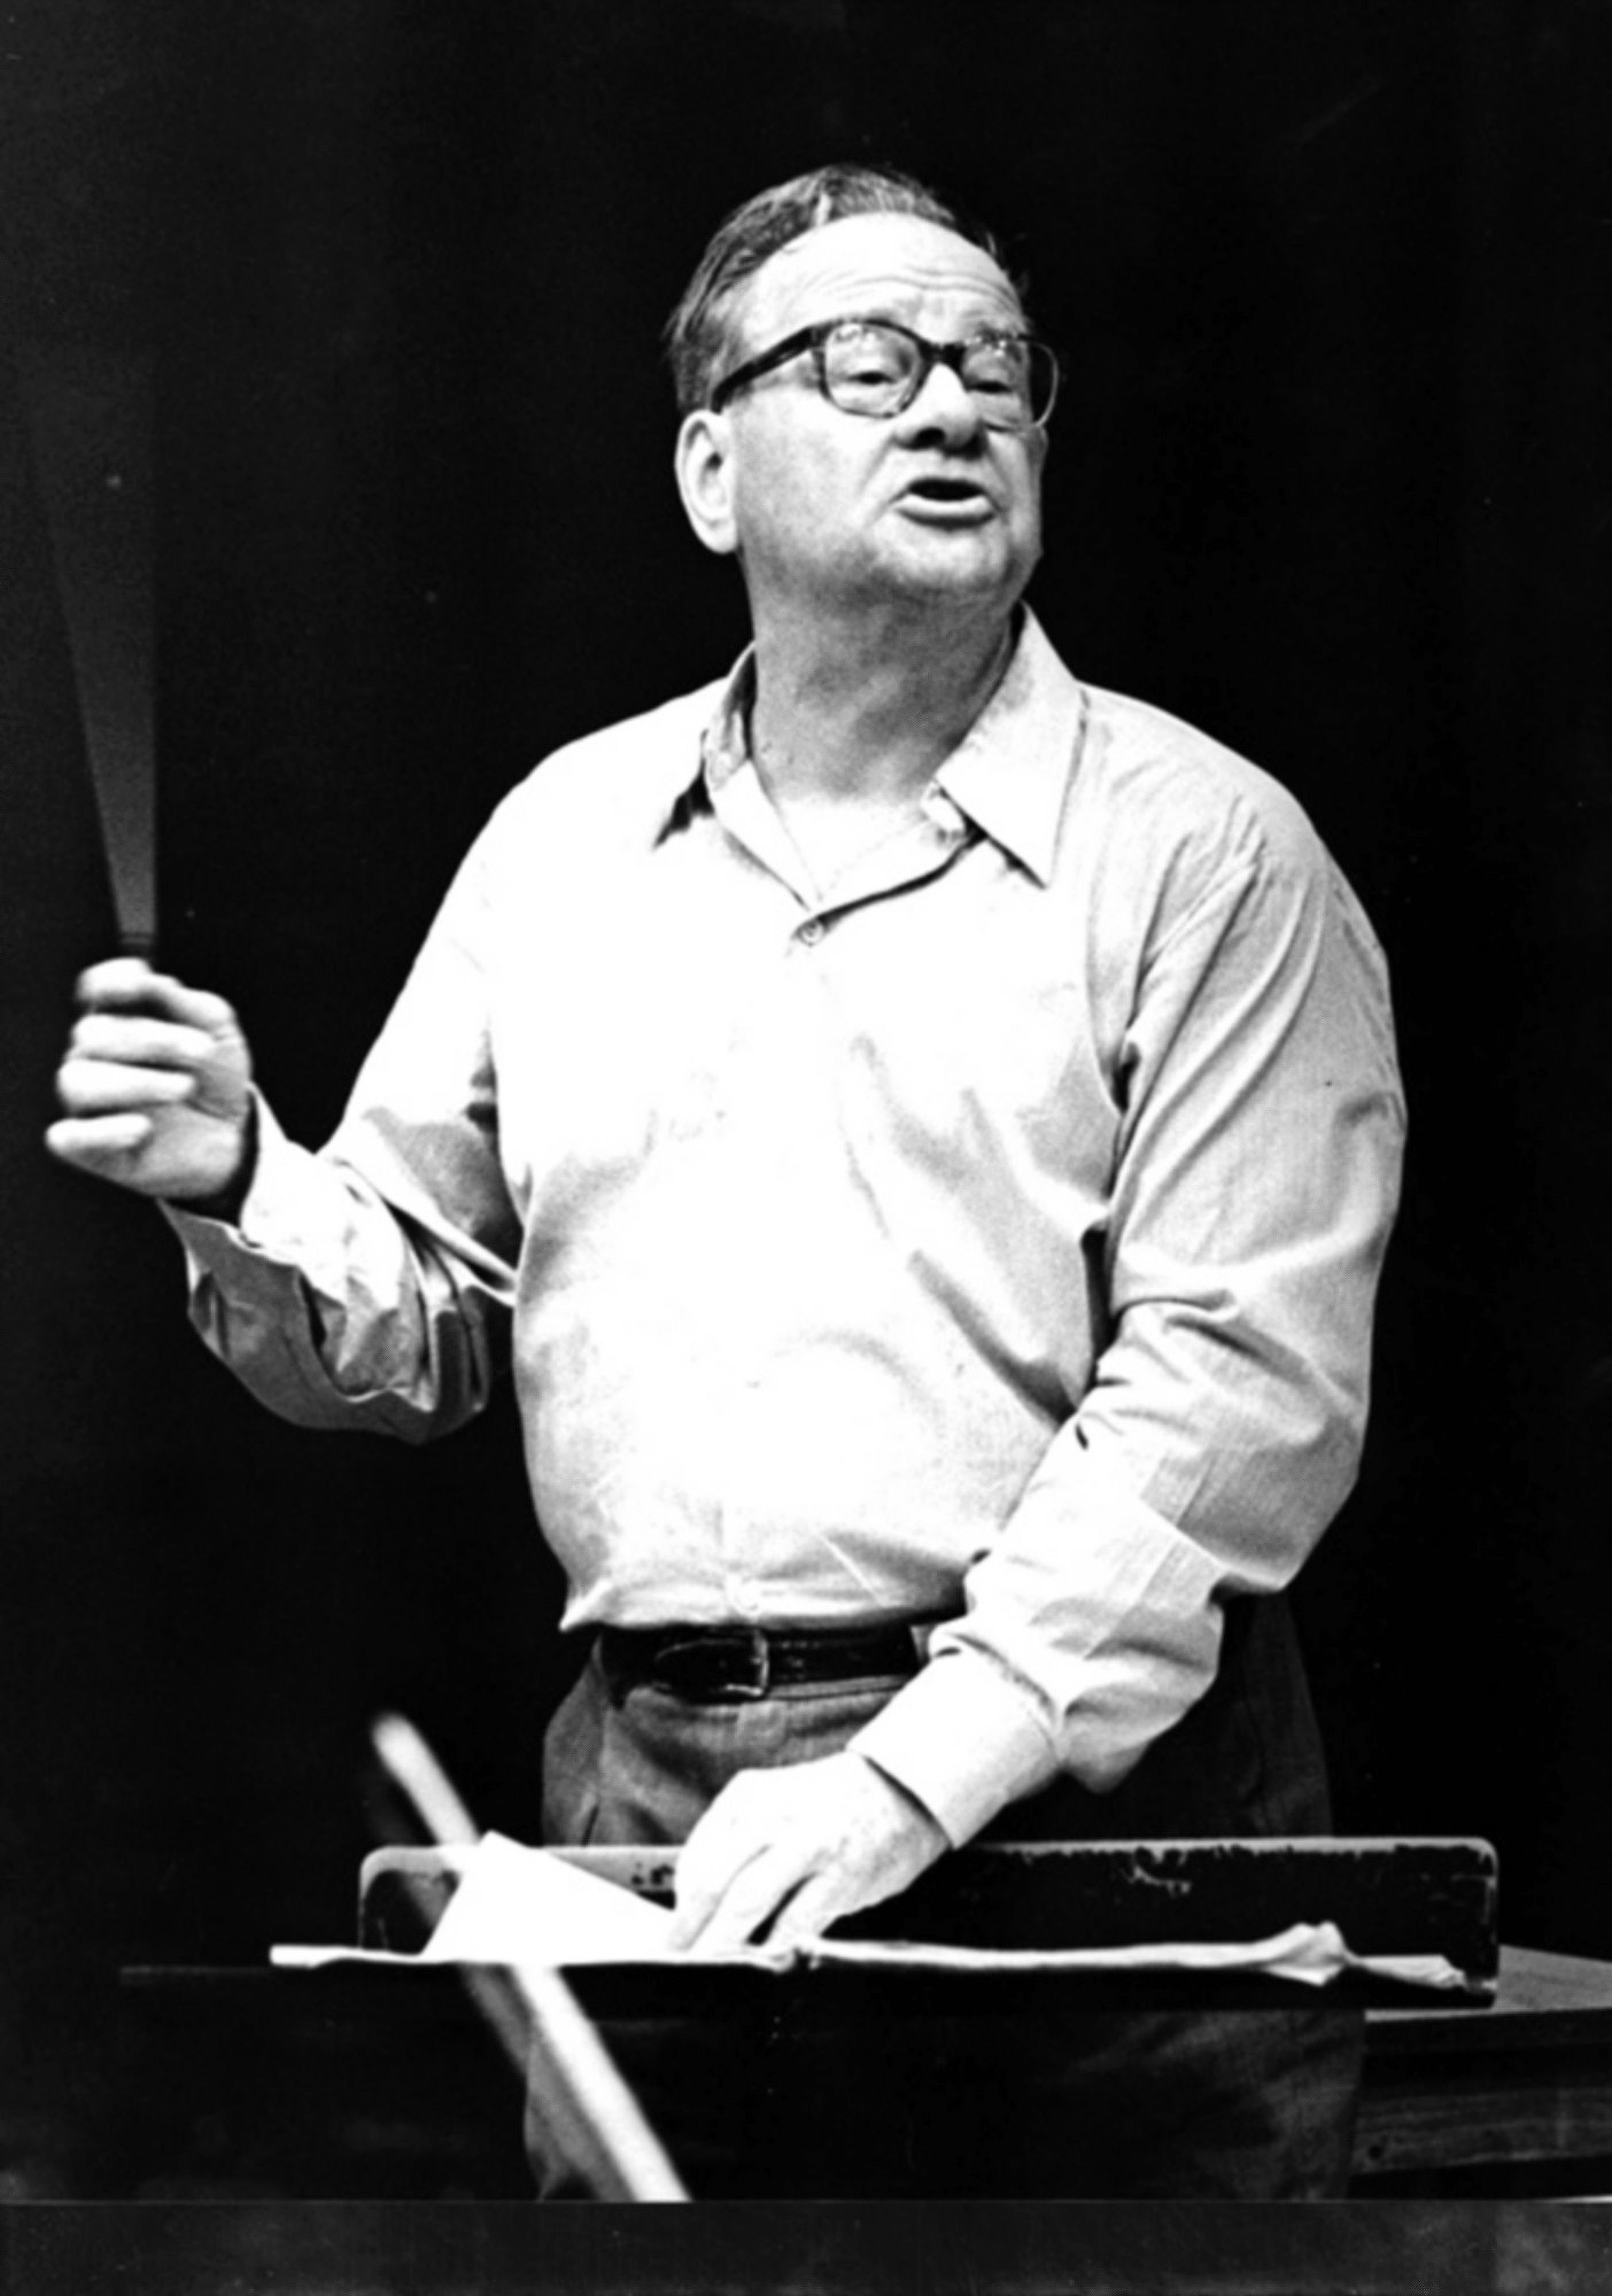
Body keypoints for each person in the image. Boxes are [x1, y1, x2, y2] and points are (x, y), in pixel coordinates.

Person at [48, 164, 1405, 2198]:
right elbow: (420, 1321)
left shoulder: (1216, 856)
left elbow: (1234, 1398)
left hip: (1090, 1825)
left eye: (995, 367)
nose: (949, 405)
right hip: (653, 1814)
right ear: (710, 472)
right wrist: (238, 1172)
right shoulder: (564, 839)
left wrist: (902, 1783)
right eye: (867, 363)